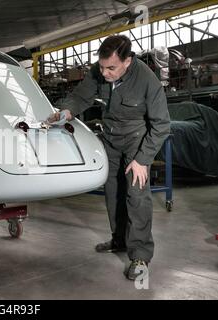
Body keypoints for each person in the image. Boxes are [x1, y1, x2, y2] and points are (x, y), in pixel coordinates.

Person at [46, 35, 170, 280]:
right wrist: (67, 112)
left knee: (136, 195)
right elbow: (82, 96)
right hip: (111, 138)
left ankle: (141, 255)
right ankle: (119, 240)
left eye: (111, 68)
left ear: (127, 61)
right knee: (112, 192)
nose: (104, 73)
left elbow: (161, 125)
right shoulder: (98, 70)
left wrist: (143, 159)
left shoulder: (147, 80)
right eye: (102, 67)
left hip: (137, 139)